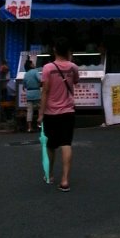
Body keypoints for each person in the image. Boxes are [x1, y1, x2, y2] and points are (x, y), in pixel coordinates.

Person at [39, 37, 80, 191]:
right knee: (66, 144)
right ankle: (65, 180)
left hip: (50, 112)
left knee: (50, 145)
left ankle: (49, 175)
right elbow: (75, 81)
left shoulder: (48, 68)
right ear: (68, 51)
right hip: (68, 111)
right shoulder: (73, 67)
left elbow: (45, 92)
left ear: (55, 50)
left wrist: (40, 114)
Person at [23, 57, 42, 133]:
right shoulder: (35, 71)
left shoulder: (26, 74)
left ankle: (29, 128)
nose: (34, 64)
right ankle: (39, 124)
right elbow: (40, 79)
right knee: (40, 109)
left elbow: (24, 85)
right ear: (30, 65)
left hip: (29, 93)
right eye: (33, 63)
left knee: (29, 111)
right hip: (36, 93)